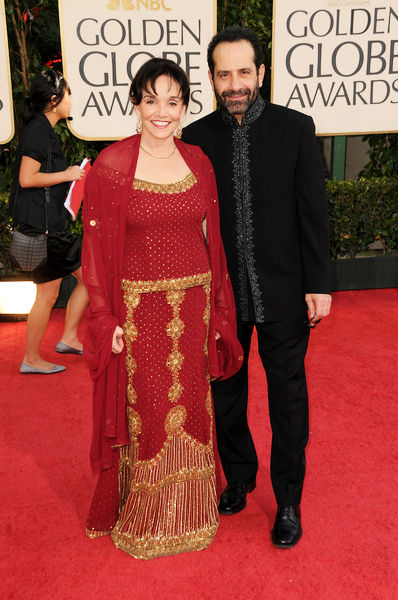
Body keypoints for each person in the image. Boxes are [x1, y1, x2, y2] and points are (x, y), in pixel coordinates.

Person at [82, 58, 242, 559]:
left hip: (193, 310)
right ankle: (147, 511)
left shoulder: (198, 161)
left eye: (173, 102)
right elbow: (95, 253)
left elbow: (211, 242)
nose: (162, 112)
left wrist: (218, 313)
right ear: (136, 102)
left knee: (194, 407)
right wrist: (104, 317)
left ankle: (192, 509)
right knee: (149, 411)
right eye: (152, 100)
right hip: (140, 313)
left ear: (185, 106)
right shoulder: (110, 166)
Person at [182, 26, 332, 549]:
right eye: (224, 74)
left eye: (244, 71)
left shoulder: (295, 128)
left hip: (286, 292)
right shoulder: (196, 138)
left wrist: (320, 283)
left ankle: (288, 498)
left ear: (261, 73)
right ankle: (240, 476)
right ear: (212, 78)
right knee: (226, 391)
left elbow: (314, 212)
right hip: (221, 296)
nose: (235, 83)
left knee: (289, 398)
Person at [9, 70, 89, 374]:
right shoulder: (39, 132)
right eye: (68, 95)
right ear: (54, 101)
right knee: (53, 291)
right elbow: (27, 178)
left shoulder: (42, 129)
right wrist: (68, 174)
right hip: (44, 231)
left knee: (80, 282)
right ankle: (32, 357)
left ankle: (67, 338)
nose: (71, 101)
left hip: (51, 227)